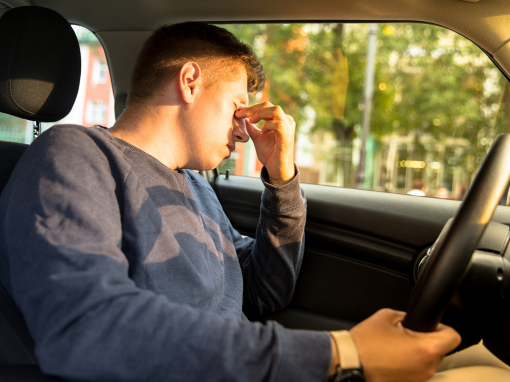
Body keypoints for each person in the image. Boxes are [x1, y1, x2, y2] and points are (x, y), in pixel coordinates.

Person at [0, 22, 460, 382]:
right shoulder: (73, 154)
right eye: (237, 106)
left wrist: (282, 180)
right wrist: (343, 354)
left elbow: (264, 293)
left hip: (249, 366)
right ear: (191, 81)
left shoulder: (197, 185)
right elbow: (90, 328)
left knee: (472, 366)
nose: (245, 128)